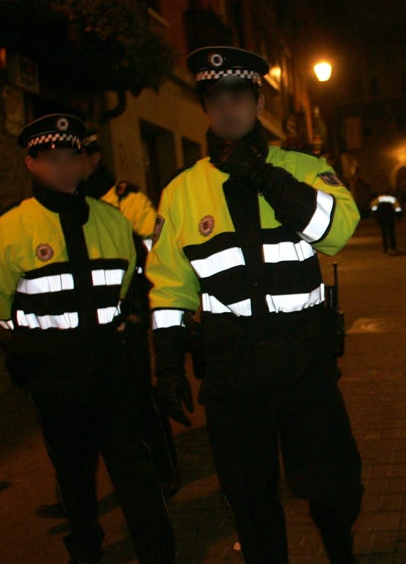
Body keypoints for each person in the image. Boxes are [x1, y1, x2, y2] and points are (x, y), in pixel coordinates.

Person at [147, 46, 362, 563]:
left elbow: (336, 229)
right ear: (204, 106)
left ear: (258, 100)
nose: (227, 108)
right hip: (232, 375)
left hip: (305, 366)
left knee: (336, 489)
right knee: (249, 501)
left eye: (238, 95)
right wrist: (170, 367)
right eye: (215, 97)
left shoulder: (305, 169)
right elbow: (170, 288)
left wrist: (264, 175)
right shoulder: (181, 192)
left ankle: (341, 551)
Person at [0, 114, 176, 564]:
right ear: (30, 163)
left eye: (72, 157)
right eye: (51, 159)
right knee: (73, 472)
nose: (64, 168)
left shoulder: (113, 220)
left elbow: (129, 284)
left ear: (84, 161)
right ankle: (86, 548)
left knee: (135, 469)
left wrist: (130, 325)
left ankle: (158, 551)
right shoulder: (3, 229)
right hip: (55, 374)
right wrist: (36, 346)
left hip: (111, 366)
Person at [82, 132, 180, 495]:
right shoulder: (67, 202)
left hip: (130, 312)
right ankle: (74, 491)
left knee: (139, 394)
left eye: (75, 157)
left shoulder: (127, 198)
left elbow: (157, 250)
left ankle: (165, 468)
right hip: (86, 319)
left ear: (94, 158)